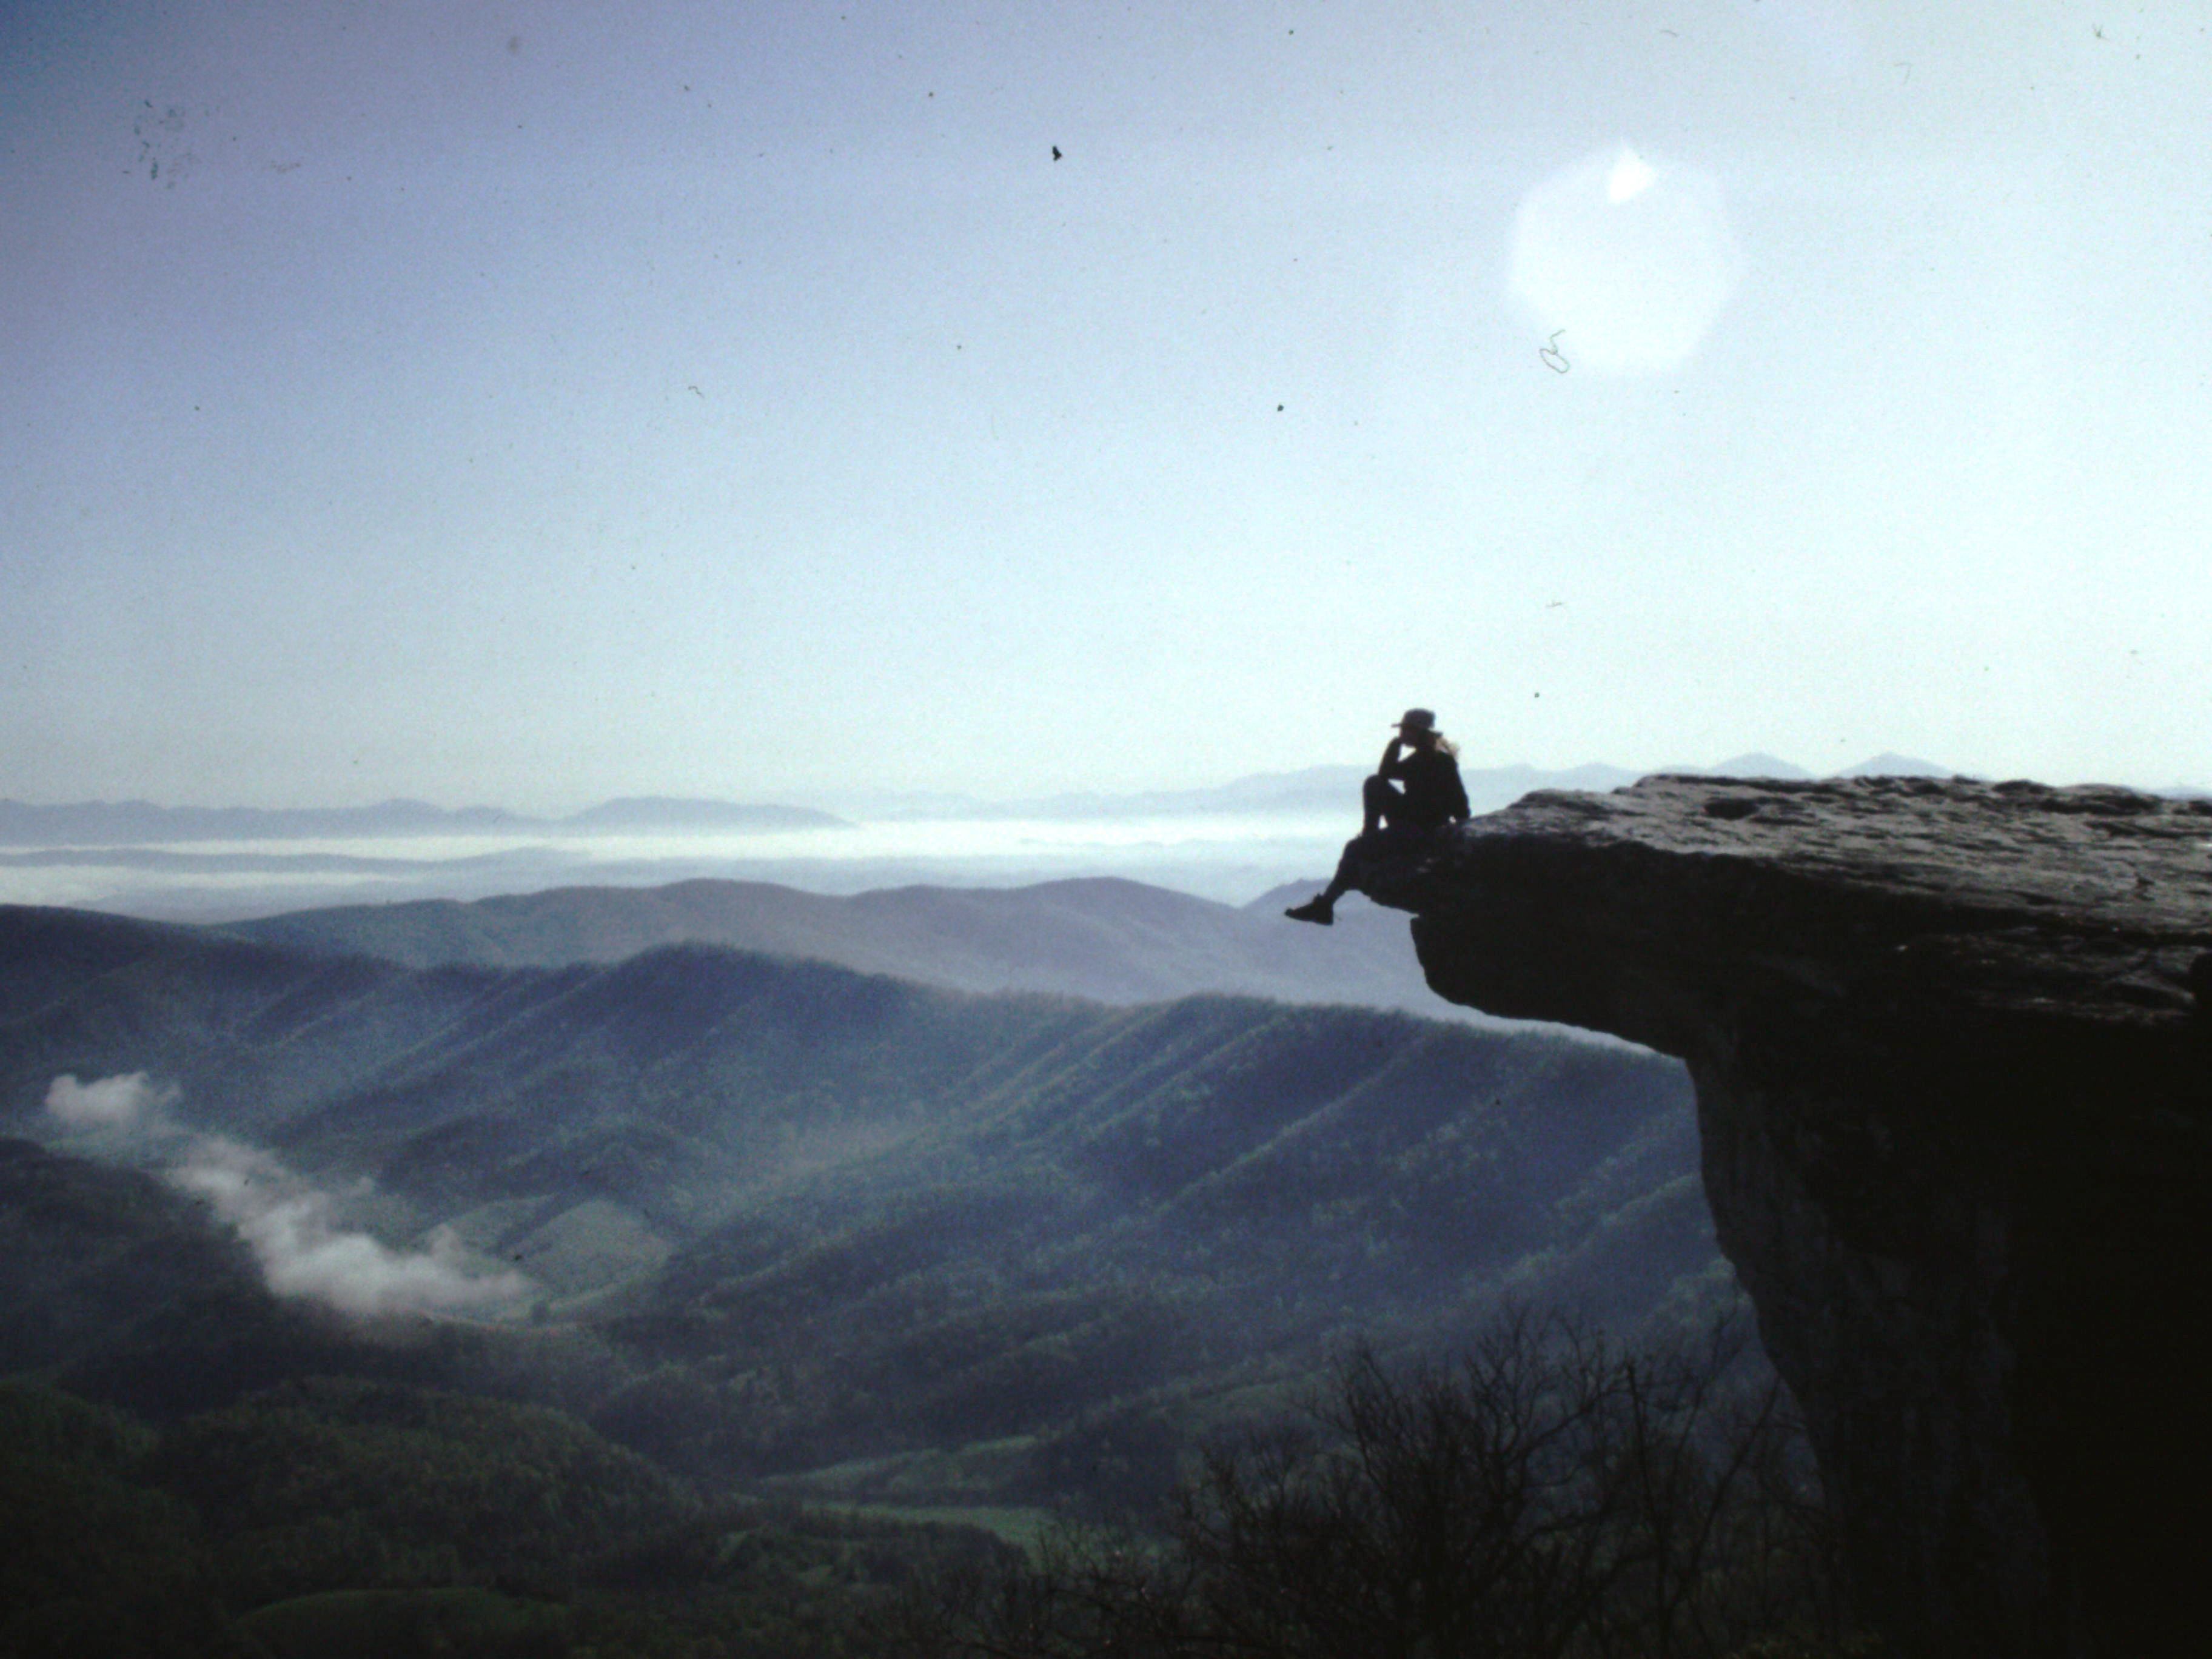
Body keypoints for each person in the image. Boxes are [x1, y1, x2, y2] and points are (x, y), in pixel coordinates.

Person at [1284, 708, 1470, 925]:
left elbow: (1389, 774)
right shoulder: (1428, 759)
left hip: (1418, 830)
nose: (1403, 734)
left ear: (1418, 733)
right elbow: (1388, 776)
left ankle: (1325, 906)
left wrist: (1394, 746)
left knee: (1355, 848)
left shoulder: (1436, 762)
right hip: (1415, 824)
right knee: (1374, 784)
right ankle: (1328, 900)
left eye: (1407, 730)